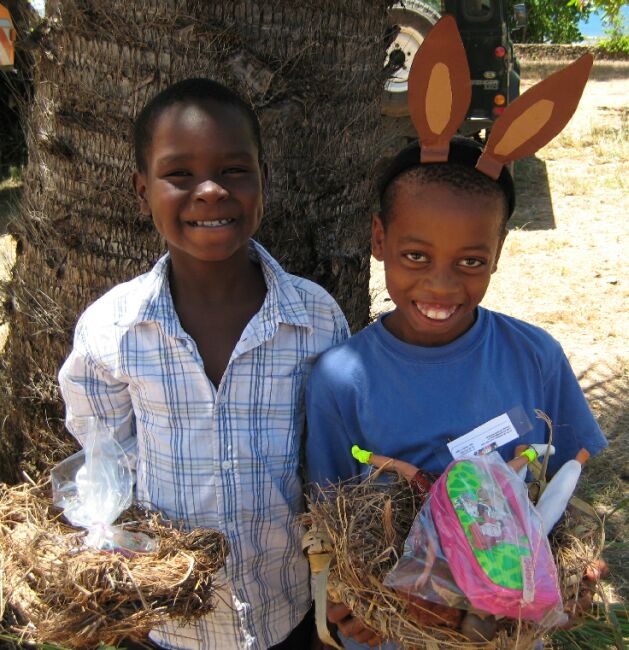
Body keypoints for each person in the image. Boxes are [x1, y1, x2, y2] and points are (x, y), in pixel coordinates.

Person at [58, 77, 349, 650]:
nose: (211, 191)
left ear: (263, 180)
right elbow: (104, 465)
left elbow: (329, 467)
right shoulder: (110, 331)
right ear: (142, 190)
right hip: (167, 627)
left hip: (288, 611)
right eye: (179, 174)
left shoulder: (315, 319)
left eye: (235, 170)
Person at [304, 138, 608, 649]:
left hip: (506, 630)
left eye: (470, 261)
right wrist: (346, 601)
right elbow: (330, 521)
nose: (441, 286)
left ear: (498, 252)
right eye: (415, 256)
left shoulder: (535, 356)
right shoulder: (341, 378)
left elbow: (566, 489)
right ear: (379, 238)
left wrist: (574, 571)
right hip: (395, 630)